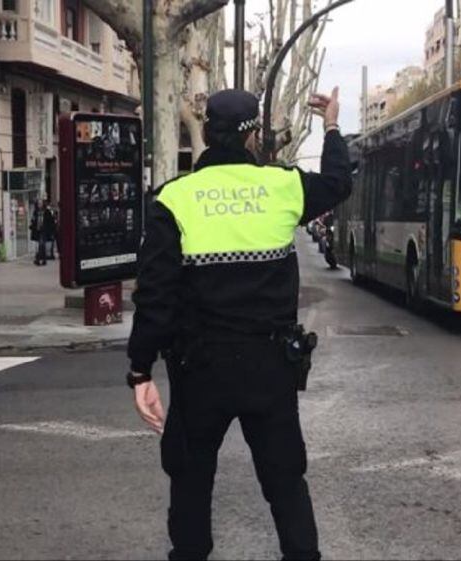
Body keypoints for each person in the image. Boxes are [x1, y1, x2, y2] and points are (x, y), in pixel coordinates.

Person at [125, 87, 351, 561]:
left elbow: (156, 296)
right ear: (253, 139)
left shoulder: (173, 198)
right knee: (285, 480)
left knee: (190, 480)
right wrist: (330, 125)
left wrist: (141, 370)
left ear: (205, 132)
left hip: (198, 369)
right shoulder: (283, 186)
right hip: (270, 368)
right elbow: (338, 181)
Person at [31, 200, 57, 266]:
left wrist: (52, 231)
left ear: (43, 205)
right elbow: (33, 220)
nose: (39, 205)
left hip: (44, 231)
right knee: (40, 245)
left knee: (41, 244)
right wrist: (32, 226)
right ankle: (42, 260)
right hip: (38, 231)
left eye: (41, 204)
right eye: (39, 204)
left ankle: (39, 259)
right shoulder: (36, 212)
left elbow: (51, 222)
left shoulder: (47, 212)